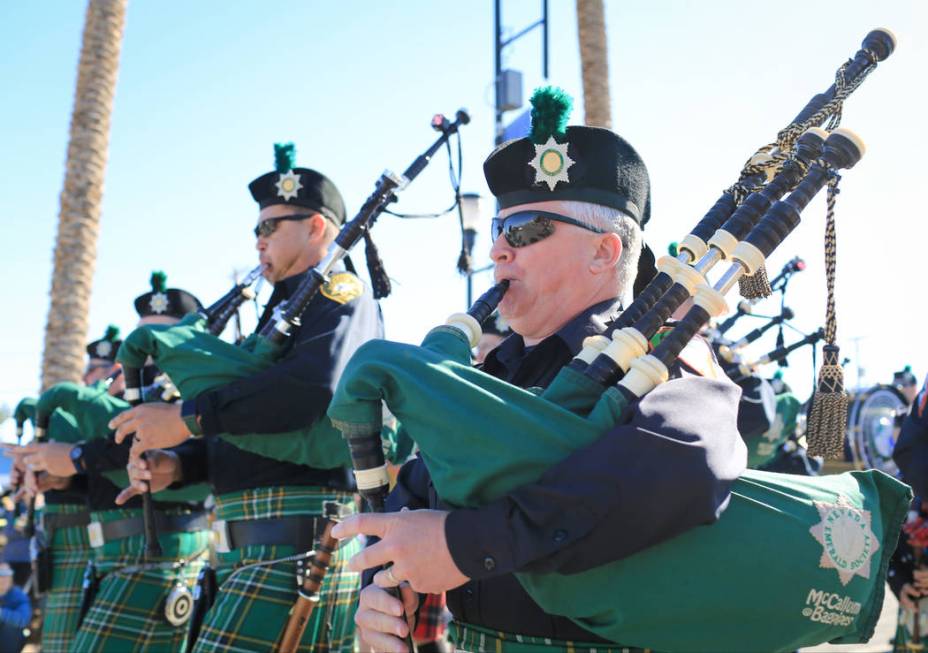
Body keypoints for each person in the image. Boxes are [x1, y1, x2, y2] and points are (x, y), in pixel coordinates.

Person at [333, 87, 745, 652]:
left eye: (524, 229)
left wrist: (466, 543)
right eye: (499, 228)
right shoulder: (496, 371)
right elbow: (421, 486)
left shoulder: (663, 353)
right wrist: (381, 585)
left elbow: (687, 467)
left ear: (603, 252)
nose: (499, 249)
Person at [113, 143, 384, 652]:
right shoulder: (272, 315)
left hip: (299, 543)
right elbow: (248, 423)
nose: (257, 241)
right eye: (255, 229)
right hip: (248, 547)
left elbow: (313, 390)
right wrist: (179, 464)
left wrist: (188, 417)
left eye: (269, 227)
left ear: (316, 228)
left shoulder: (340, 294)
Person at [0, 563, 30, 653]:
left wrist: (1, 613)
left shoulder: (19, 596)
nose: (3, 578)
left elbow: (23, 619)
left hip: (10, 641)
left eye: (7, 574)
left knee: (10, 629)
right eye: (1, 574)